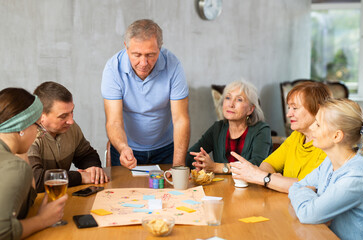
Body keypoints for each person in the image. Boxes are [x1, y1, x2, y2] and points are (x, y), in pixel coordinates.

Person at [288, 98, 363, 239]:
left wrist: (306, 193)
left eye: (317, 125)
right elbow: (295, 186)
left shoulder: (359, 175)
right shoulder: (328, 163)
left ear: (337, 136)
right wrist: (308, 195)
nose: (311, 128)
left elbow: (307, 214)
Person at [101, 19, 190, 169]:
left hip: (166, 148)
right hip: (127, 148)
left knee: (170, 191)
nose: (143, 63)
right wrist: (123, 148)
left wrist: (179, 165)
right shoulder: (112, 69)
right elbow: (114, 121)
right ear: (126, 47)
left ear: (160, 48)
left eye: (150, 55)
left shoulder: (173, 65)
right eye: (136, 55)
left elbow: (180, 119)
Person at [231, 81, 331, 193]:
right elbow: (267, 164)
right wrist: (276, 180)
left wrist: (269, 179)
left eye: (295, 108)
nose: (289, 114)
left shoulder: (328, 145)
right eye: (289, 108)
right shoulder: (297, 136)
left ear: (317, 110)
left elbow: (307, 186)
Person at [0, 88, 67, 239]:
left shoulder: (13, 159)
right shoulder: (14, 167)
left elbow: (26, 200)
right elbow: (2, 232)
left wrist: (21, 146)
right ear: (22, 127)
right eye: (38, 127)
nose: (39, 134)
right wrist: (43, 220)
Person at [28, 81, 108, 193]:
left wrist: (92, 169)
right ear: (41, 116)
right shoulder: (27, 136)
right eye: (63, 116)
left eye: (72, 112)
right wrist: (81, 177)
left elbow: (86, 155)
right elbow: (35, 179)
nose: (71, 121)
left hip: (60, 198)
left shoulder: (71, 127)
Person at [186, 81, 272, 173]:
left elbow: (256, 164)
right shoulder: (217, 128)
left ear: (250, 109)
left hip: (251, 187)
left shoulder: (262, 130)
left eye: (239, 99)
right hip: (221, 186)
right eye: (228, 98)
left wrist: (216, 167)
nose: (231, 104)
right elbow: (191, 155)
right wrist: (192, 166)